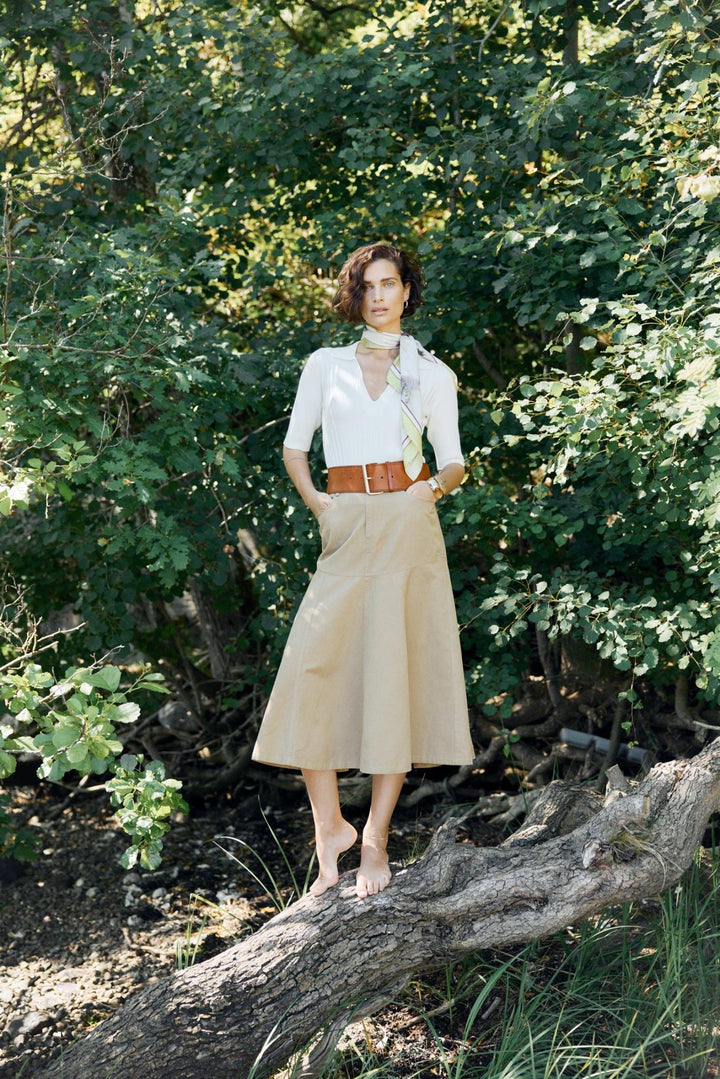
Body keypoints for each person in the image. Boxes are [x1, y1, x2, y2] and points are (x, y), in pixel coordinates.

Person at [252, 242, 474, 899]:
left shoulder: (431, 373)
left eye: (389, 283)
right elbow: (295, 448)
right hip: (345, 519)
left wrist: (428, 491)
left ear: (407, 290)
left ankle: (375, 837)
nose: (379, 295)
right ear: (356, 294)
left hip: (408, 521)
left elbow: (455, 461)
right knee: (311, 667)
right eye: (367, 285)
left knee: (393, 676)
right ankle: (330, 828)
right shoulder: (326, 364)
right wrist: (320, 505)